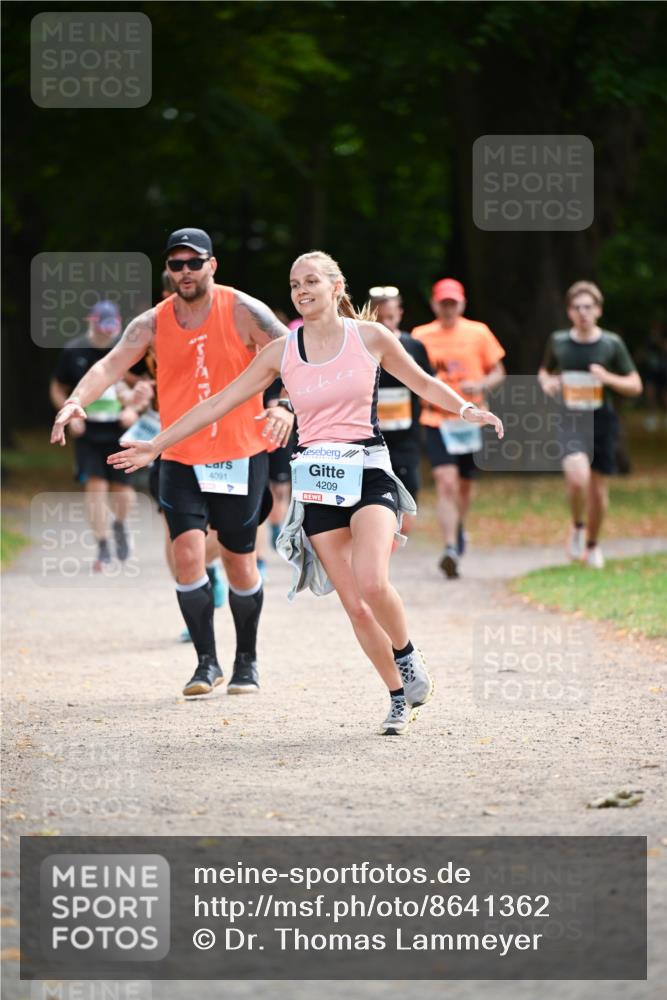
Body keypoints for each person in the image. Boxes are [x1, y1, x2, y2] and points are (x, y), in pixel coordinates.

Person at [108, 250, 504, 736]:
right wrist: (157, 444)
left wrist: (467, 410)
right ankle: (398, 698)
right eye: (295, 284)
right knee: (354, 604)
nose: (301, 290)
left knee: (373, 581)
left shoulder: (371, 338)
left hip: (369, 469)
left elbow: (423, 383)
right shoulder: (281, 351)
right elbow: (217, 403)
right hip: (318, 484)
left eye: (311, 280)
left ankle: (407, 655)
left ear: (337, 287)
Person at [51, 227, 294, 697]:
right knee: (185, 554)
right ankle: (206, 663)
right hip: (177, 452)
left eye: (193, 262)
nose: (184, 271)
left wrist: (282, 404)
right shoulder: (152, 322)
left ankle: (247, 661)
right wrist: (76, 400)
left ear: (211, 265)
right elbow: (108, 365)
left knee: (242, 564)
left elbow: (295, 355)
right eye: (176, 264)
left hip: (240, 452)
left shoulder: (243, 310)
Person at [138, 270, 228, 640]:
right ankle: (198, 608)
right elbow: (135, 384)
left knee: (223, 530)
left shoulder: (216, 329)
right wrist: (136, 397)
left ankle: (212, 569)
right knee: (175, 539)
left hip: (218, 443)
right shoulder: (149, 337)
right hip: (168, 447)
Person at [538, 280, 642, 568]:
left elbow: (635, 385)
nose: (583, 312)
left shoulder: (611, 343)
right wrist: (549, 383)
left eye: (588, 307)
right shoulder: (558, 341)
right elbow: (544, 372)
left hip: (602, 420)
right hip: (570, 418)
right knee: (577, 478)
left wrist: (608, 378)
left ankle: (593, 546)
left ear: (598, 310)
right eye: (577, 307)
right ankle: (578, 525)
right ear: (569, 311)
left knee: (598, 488)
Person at [412, 278, 506, 579]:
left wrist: (479, 384)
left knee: (464, 486)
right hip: (436, 418)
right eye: (443, 303)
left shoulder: (478, 332)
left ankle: (457, 527)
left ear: (462, 304)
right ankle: (450, 547)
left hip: (472, 418)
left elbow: (498, 372)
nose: (449, 308)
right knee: (445, 480)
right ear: (434, 304)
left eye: (453, 303)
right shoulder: (420, 336)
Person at [50, 300, 142, 570]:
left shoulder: (126, 350)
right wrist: (68, 411)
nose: (107, 335)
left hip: (120, 430)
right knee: (96, 487)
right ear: (91, 322)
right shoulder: (74, 351)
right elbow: (57, 387)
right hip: (88, 430)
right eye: (103, 329)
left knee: (123, 490)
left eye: (111, 330)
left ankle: (121, 525)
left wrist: (134, 410)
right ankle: (102, 546)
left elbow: (145, 385)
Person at [369, 286, 433, 535]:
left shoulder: (414, 346)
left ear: (400, 314)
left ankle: (398, 537)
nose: (386, 323)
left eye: (391, 317)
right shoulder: (363, 346)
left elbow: (428, 383)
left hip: (407, 433)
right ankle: (381, 539)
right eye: (380, 318)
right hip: (372, 435)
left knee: (409, 487)